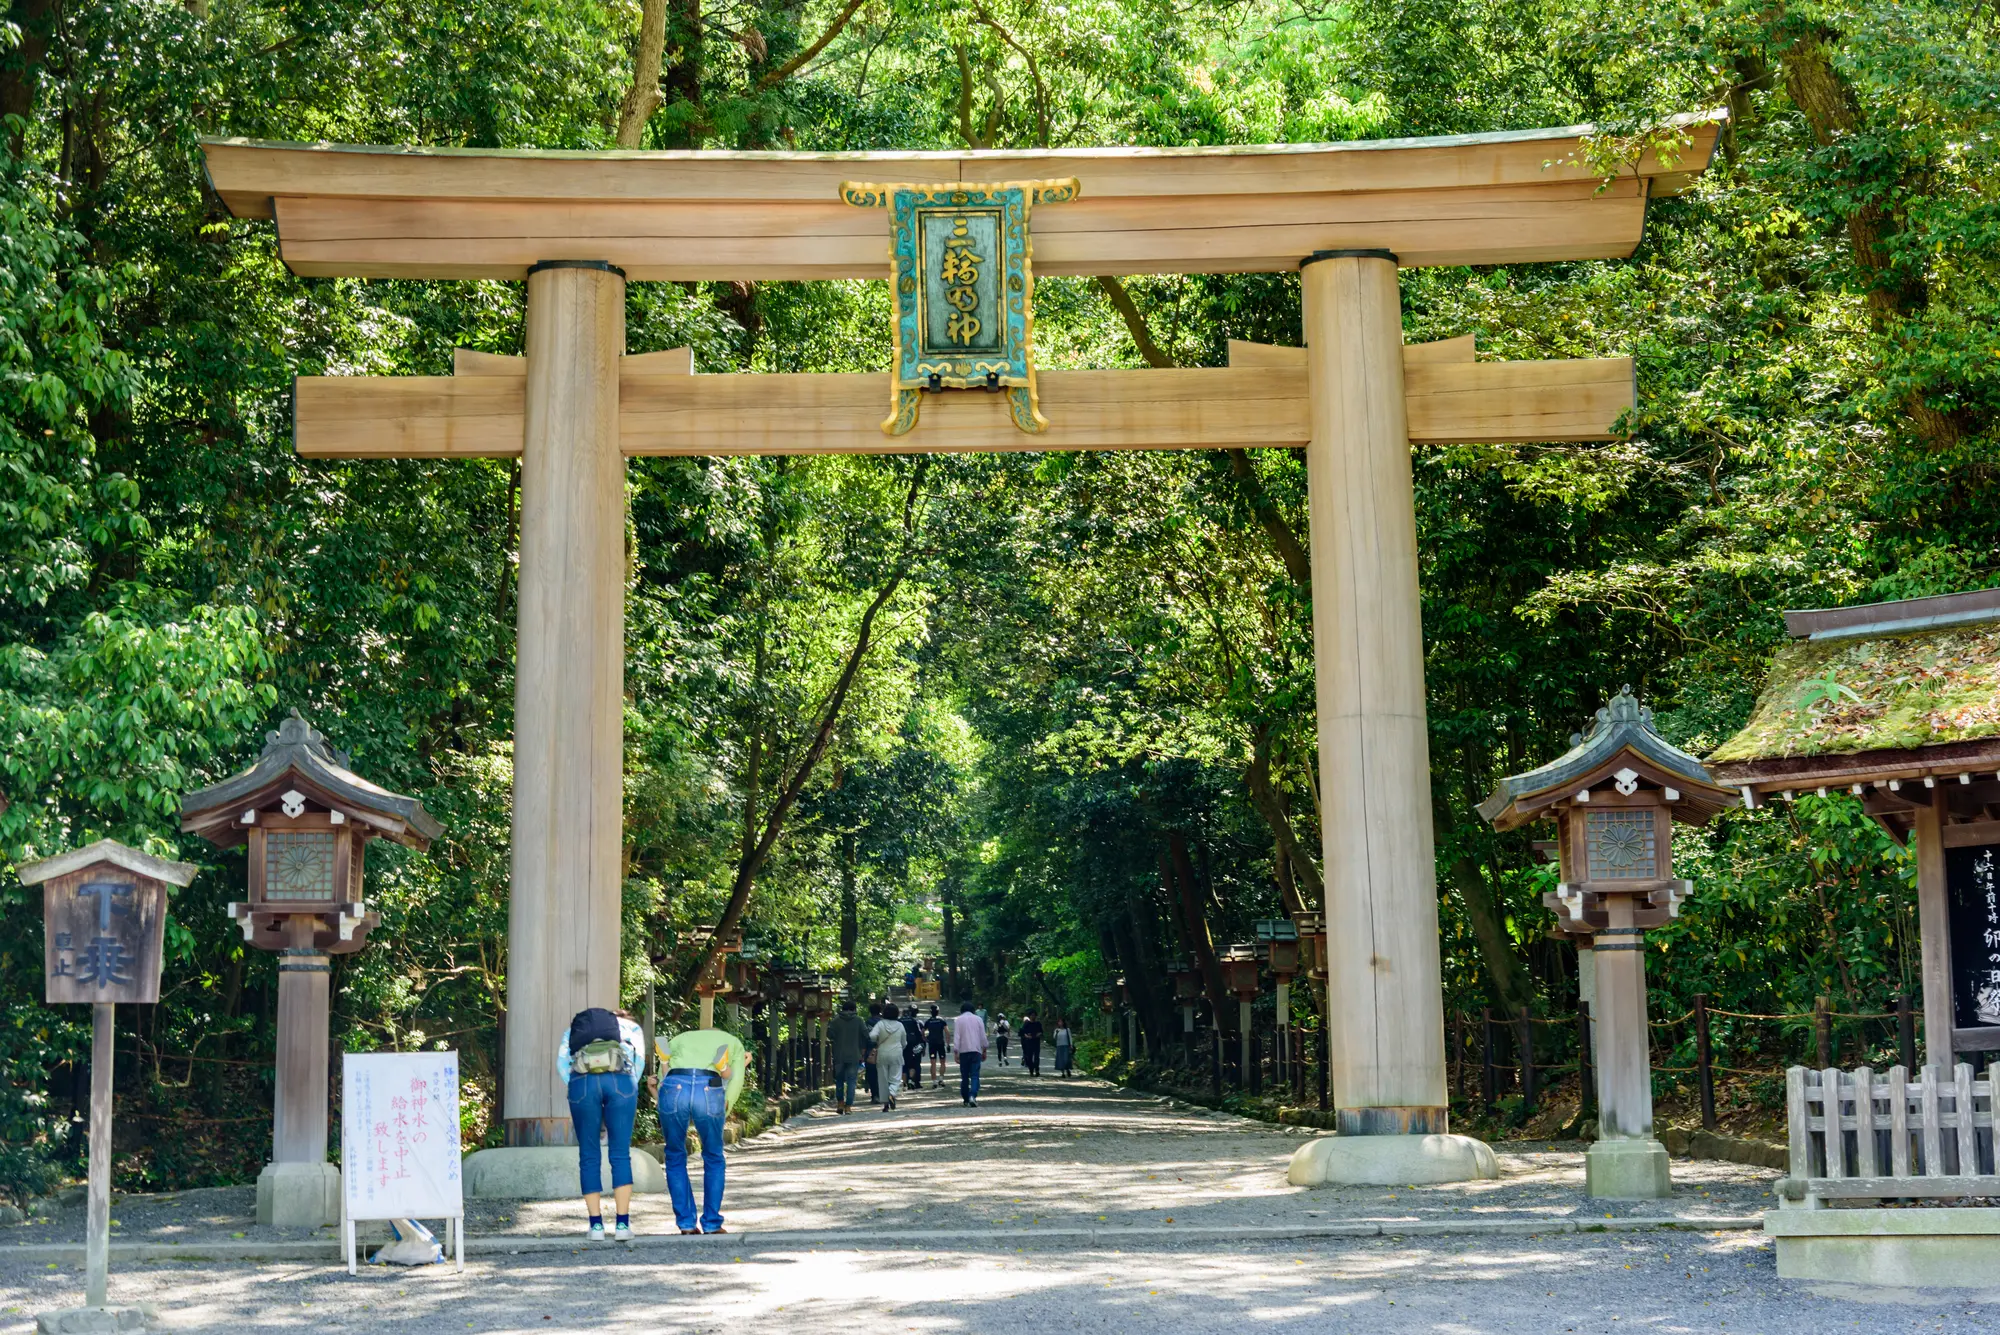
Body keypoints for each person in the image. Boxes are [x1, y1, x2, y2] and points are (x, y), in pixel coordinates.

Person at [557, 1006, 644, 1241]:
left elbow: (562, 1062)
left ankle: (596, 1227)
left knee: (589, 1154)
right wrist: (627, 1088)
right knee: (620, 1153)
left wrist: (576, 1082)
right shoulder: (633, 1028)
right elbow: (638, 1062)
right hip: (621, 1081)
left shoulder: (574, 1030)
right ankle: (622, 1226)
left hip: (582, 1083)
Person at [652, 1023, 748, 1236]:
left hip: (675, 1083)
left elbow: (662, 1077)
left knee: (675, 1155)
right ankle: (712, 1223)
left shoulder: (682, 1036)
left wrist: (662, 1098)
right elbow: (737, 1079)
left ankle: (686, 1224)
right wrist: (727, 1103)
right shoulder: (732, 1042)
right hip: (709, 1087)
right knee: (713, 1156)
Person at [827, 998, 868, 1114]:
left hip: (839, 1055)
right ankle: (848, 1106)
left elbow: (829, 1035)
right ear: (854, 1009)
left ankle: (840, 1103)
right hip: (854, 1055)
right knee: (851, 1081)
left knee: (839, 1080)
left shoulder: (835, 1021)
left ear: (843, 1009)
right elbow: (866, 1035)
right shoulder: (859, 1020)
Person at [868, 1004, 906, 1111]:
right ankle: (892, 1093)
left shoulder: (880, 1024)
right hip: (896, 1053)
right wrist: (901, 1046)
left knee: (882, 1079)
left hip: (882, 1053)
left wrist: (877, 1040)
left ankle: (885, 1104)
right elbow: (904, 1041)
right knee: (895, 1077)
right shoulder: (900, 1025)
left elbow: (872, 1036)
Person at [952, 1004, 987, 1106]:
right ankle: (973, 1095)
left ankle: (965, 1099)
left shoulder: (958, 1020)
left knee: (965, 1076)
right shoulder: (978, 1019)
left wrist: (956, 1052)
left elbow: (957, 1037)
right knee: (975, 1075)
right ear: (973, 1010)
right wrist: (984, 1049)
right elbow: (982, 1036)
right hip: (976, 1051)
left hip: (963, 1052)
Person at [900, 1006, 925, 1091]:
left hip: (902, 1045)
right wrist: (922, 1046)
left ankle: (905, 1083)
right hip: (914, 1045)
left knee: (904, 1064)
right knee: (915, 1064)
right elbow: (919, 1034)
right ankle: (915, 1082)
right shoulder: (914, 1021)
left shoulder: (899, 1021)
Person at [924, 1005, 948, 1083]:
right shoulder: (941, 1020)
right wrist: (948, 1044)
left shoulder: (928, 1021)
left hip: (932, 1044)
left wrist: (925, 1039)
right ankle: (941, 1078)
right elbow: (947, 1032)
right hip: (940, 1043)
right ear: (938, 1011)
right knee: (942, 1062)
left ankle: (934, 1081)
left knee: (933, 1063)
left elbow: (922, 1032)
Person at [1018, 1012, 1044, 1077]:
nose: (1033, 1016)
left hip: (1036, 1042)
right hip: (1028, 1042)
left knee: (1036, 1057)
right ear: (1029, 1016)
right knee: (1029, 1057)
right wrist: (1026, 1036)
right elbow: (1022, 1032)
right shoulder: (1026, 1024)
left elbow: (1041, 1032)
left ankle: (1037, 1069)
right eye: (1032, 1015)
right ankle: (1031, 1070)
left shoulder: (1038, 1024)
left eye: (1034, 1015)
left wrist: (1037, 1035)